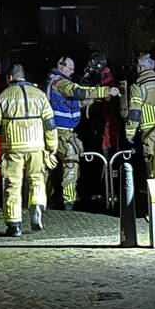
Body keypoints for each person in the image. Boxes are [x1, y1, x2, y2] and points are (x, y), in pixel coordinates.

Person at [0, 64, 58, 236]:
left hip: (12, 146)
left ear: (9, 77)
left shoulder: (3, 95)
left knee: (13, 184)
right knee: (37, 178)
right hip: (37, 145)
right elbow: (50, 123)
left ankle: (14, 225)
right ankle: (36, 205)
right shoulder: (40, 95)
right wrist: (52, 145)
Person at [45, 56, 119, 210]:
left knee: (50, 167)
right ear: (62, 67)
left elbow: (71, 103)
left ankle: (45, 201)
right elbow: (76, 91)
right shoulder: (60, 82)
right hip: (61, 133)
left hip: (59, 132)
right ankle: (68, 203)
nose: (72, 73)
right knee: (70, 164)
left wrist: (89, 101)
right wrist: (104, 90)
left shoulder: (54, 81)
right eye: (71, 69)